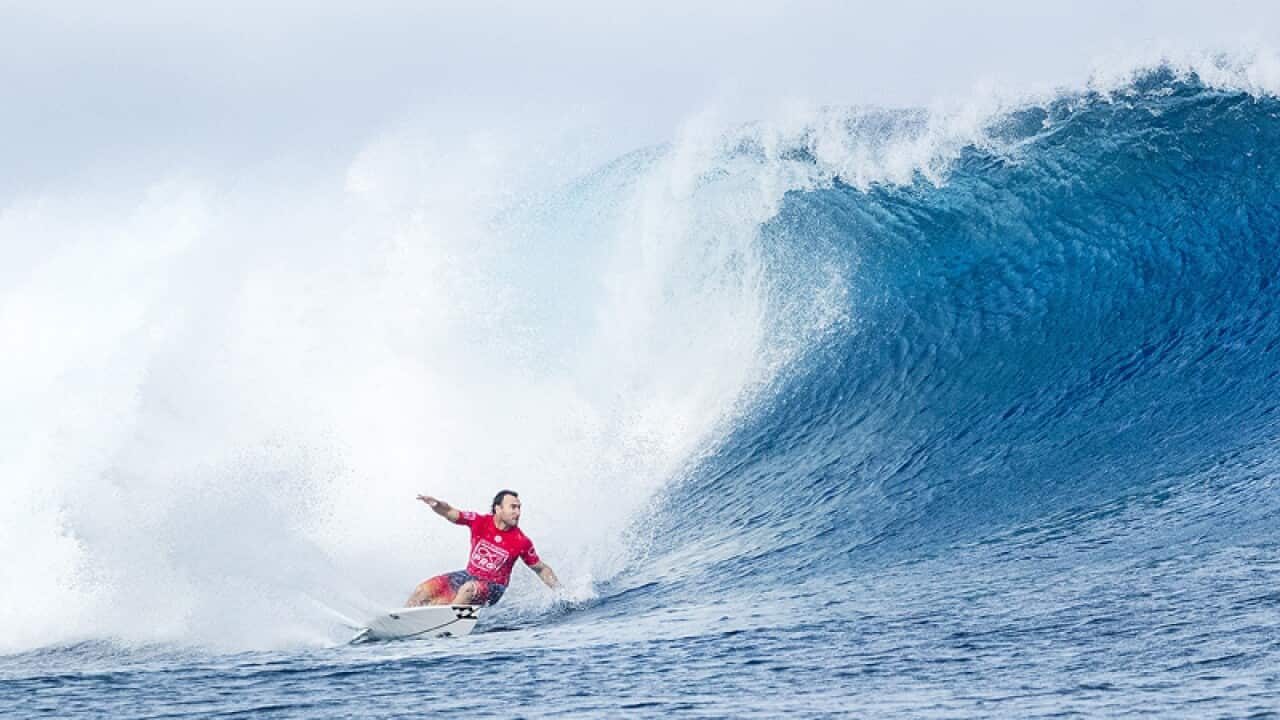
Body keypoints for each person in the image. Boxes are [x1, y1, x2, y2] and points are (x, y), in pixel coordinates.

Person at [406, 490, 560, 607]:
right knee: (422, 591)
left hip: (494, 587)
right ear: (498, 509)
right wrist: (436, 504)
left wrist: (561, 592)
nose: (518, 512)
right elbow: (450, 512)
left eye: (519, 508)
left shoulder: (521, 541)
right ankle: (403, 620)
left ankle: (449, 623)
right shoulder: (479, 522)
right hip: (468, 575)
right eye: (513, 507)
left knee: (467, 590)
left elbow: (540, 569)